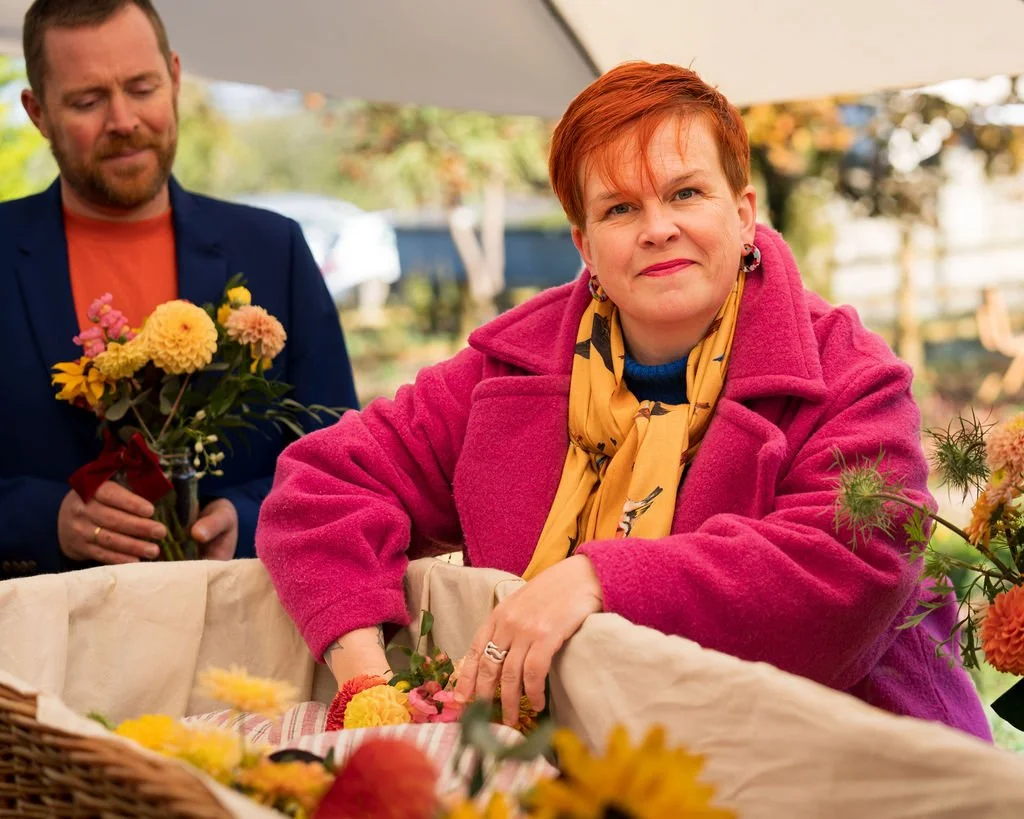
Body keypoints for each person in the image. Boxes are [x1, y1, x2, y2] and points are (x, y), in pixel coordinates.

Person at [256, 62, 991, 740]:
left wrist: (594, 579)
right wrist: (365, 682)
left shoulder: (852, 376)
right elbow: (322, 486)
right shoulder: (507, 366)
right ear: (584, 243)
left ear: (743, 213)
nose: (657, 227)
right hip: (567, 763)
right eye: (618, 208)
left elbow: (844, 571)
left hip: (838, 761)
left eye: (686, 193)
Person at [0, 0, 357, 580]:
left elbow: (341, 456)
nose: (123, 120)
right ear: (37, 112)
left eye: (142, 88)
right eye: (87, 101)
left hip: (242, 634)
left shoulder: (274, 250)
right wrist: (47, 519)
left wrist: (248, 518)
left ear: (175, 77)